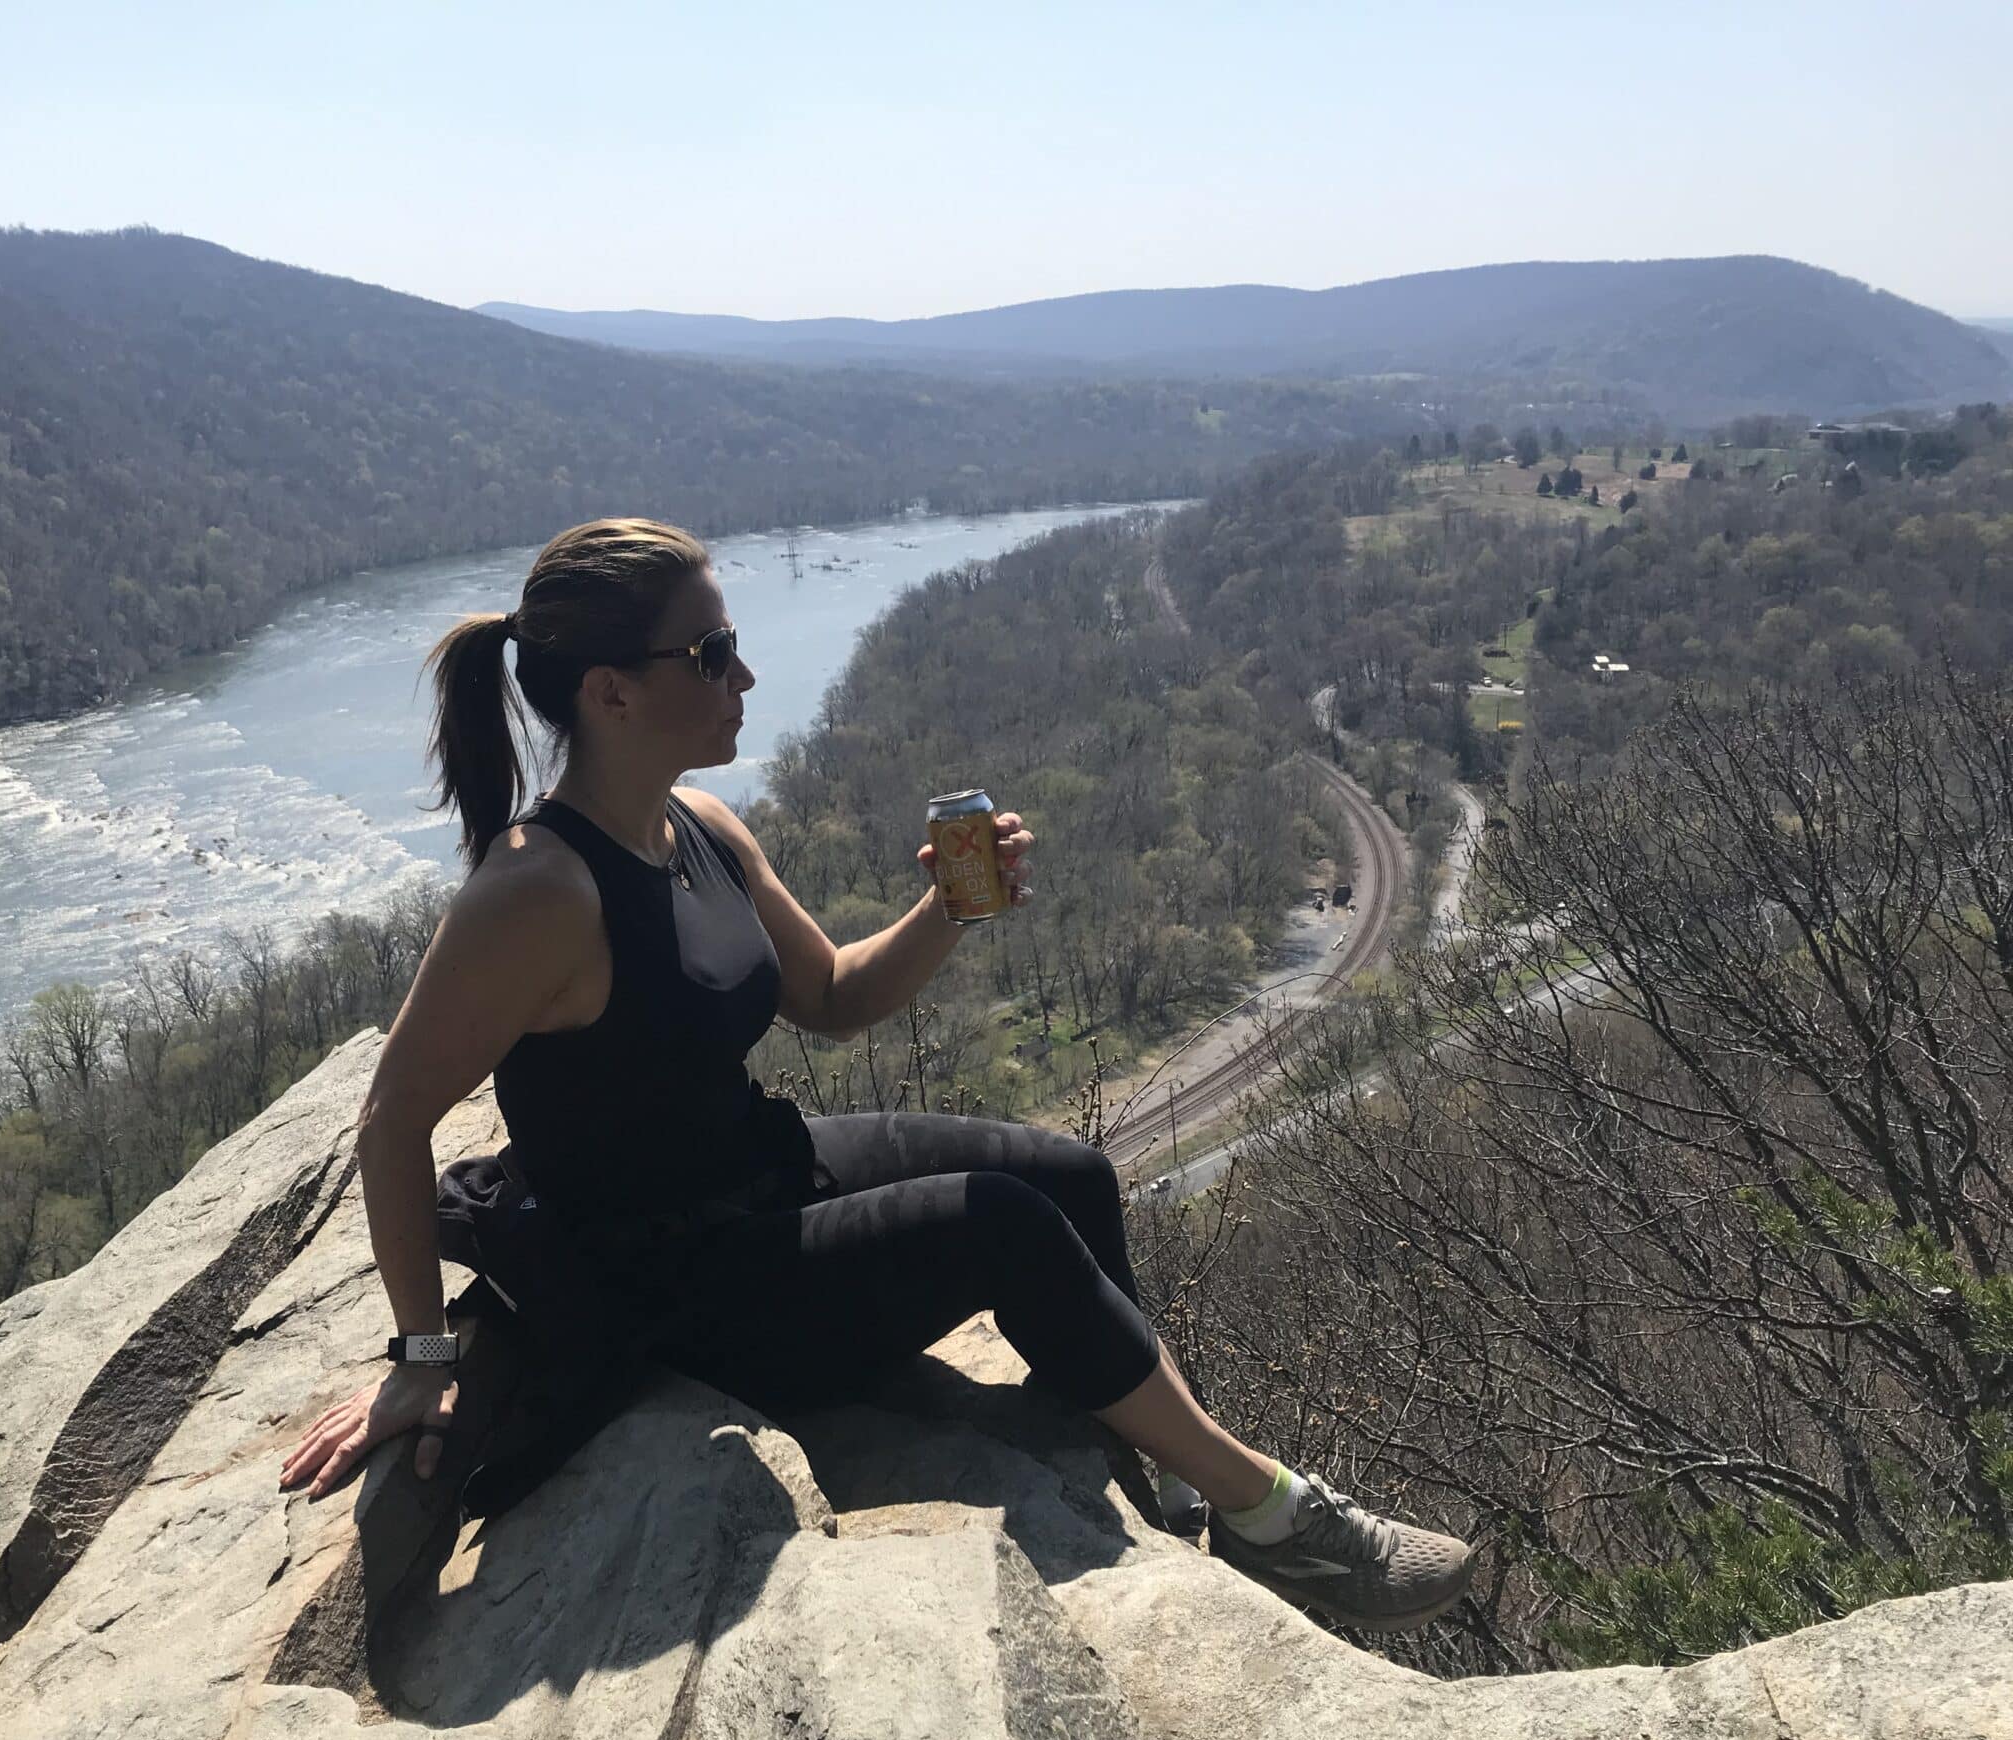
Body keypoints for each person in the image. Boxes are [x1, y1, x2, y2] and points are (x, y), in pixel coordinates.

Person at [276, 517, 1471, 1635]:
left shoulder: (698, 826)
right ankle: (1275, 1517)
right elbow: (392, 1123)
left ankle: (1140, 1462)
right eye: (714, 652)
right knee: (1001, 1225)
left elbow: (836, 998)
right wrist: (421, 1358)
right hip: (682, 1288)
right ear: (612, 692)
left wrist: (951, 906)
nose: (742, 678)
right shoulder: (538, 890)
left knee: (1072, 1172)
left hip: (762, 1173)